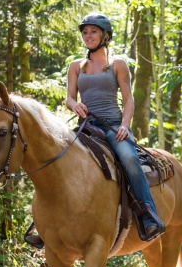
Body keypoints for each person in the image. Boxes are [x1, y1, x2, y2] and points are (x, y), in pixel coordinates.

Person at [65, 13, 165, 241]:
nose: (88, 36)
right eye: (85, 32)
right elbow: (69, 98)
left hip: (112, 126)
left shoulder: (117, 64)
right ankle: (44, 223)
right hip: (85, 127)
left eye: (93, 32)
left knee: (129, 159)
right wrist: (75, 105)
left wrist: (124, 125)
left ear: (105, 36)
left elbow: (129, 100)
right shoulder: (76, 67)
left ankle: (149, 216)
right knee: (57, 155)